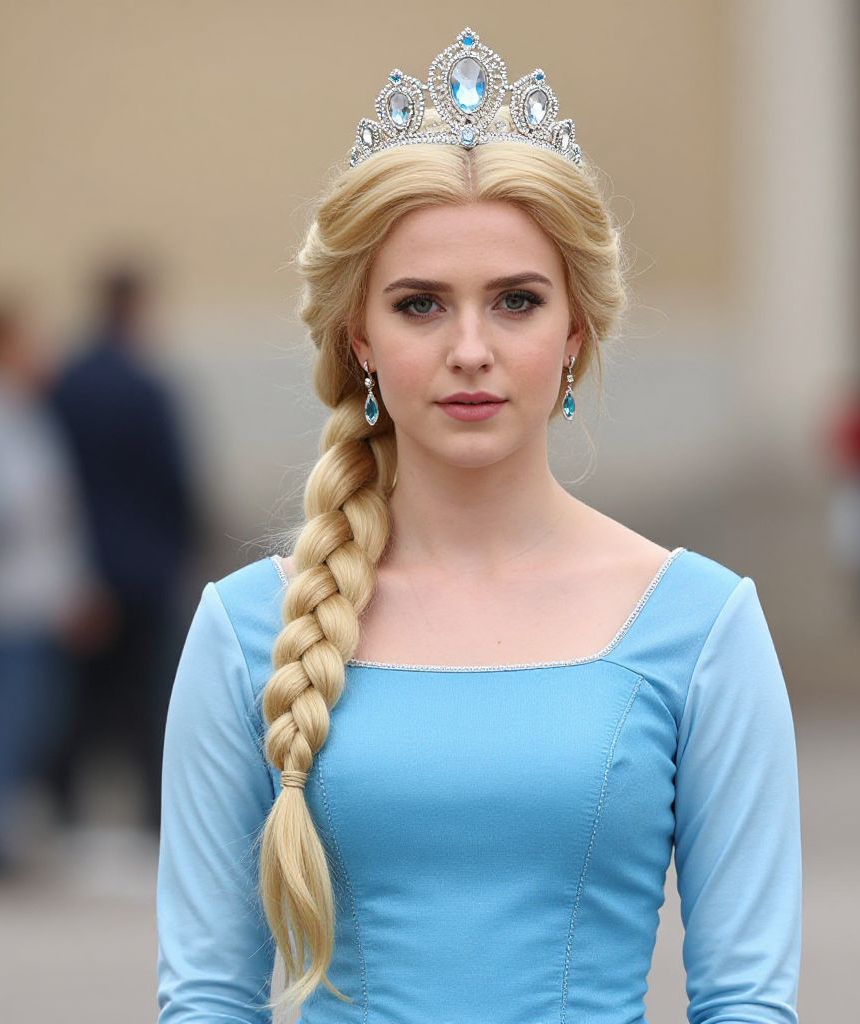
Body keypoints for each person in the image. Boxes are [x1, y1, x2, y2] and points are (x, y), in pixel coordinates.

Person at [156, 27, 802, 1024]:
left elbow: (750, 1001)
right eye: (420, 305)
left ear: (574, 330)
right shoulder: (246, 634)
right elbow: (203, 997)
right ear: (359, 336)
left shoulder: (702, 628)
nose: (470, 348)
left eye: (515, 301)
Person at [44, 261, 197, 832]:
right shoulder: (145, 385)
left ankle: (63, 802)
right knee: (146, 691)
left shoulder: (67, 381)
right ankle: (149, 811)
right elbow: (172, 477)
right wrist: (182, 544)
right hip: (145, 564)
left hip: (80, 560)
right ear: (134, 306)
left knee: (81, 690)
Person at [0, 300, 95, 876]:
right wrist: (13, 512)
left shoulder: (18, 410)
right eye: (21, 341)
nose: (35, 354)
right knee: (0, 716)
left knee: (27, 717)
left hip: (29, 598)